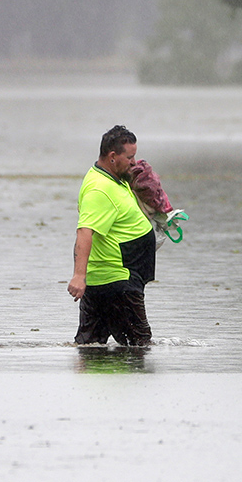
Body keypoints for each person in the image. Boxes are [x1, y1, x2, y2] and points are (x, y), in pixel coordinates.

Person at [69, 124, 155, 345]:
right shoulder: (99, 189)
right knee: (139, 346)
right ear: (113, 156)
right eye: (130, 157)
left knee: (89, 347)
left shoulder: (113, 178)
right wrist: (79, 276)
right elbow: (85, 231)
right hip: (118, 283)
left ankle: (88, 379)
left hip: (107, 281)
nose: (134, 162)